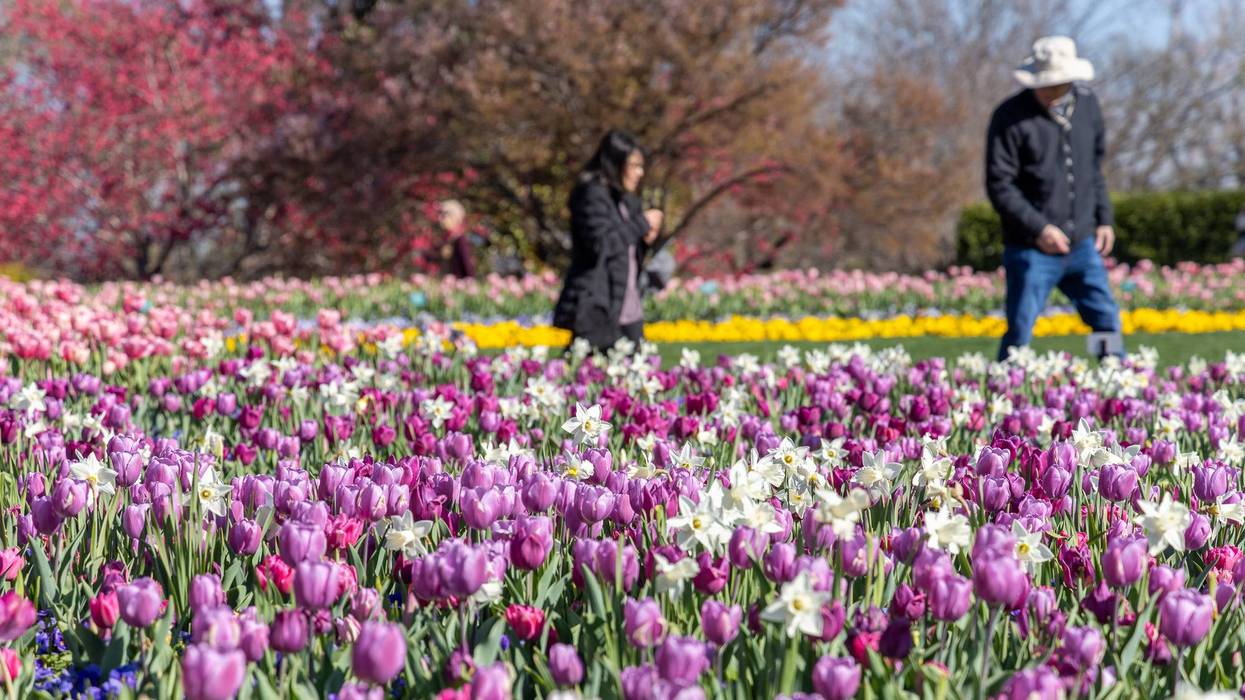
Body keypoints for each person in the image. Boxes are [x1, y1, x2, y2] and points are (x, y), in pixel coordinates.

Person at [986, 36, 1122, 361]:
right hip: (1031, 249)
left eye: (1056, 85)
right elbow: (999, 184)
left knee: (1106, 320)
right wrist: (1039, 228)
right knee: (1021, 328)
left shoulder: (1088, 105)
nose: (1048, 91)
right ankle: (1006, 386)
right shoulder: (1010, 116)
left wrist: (1104, 218)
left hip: (1082, 245)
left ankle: (1114, 378)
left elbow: (1092, 169)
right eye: (1044, 84)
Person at [553, 130, 662, 352]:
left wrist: (646, 240)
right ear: (615, 163)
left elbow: (626, 249)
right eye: (634, 166)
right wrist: (641, 223)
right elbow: (601, 244)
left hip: (628, 307)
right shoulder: (591, 195)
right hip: (597, 308)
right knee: (587, 379)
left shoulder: (623, 199)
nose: (639, 173)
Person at [436, 199, 476, 279]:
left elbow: (466, 263)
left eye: (444, 216)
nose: (440, 219)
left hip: (459, 284)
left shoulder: (460, 239)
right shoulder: (446, 238)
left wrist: (470, 282)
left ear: (455, 218)